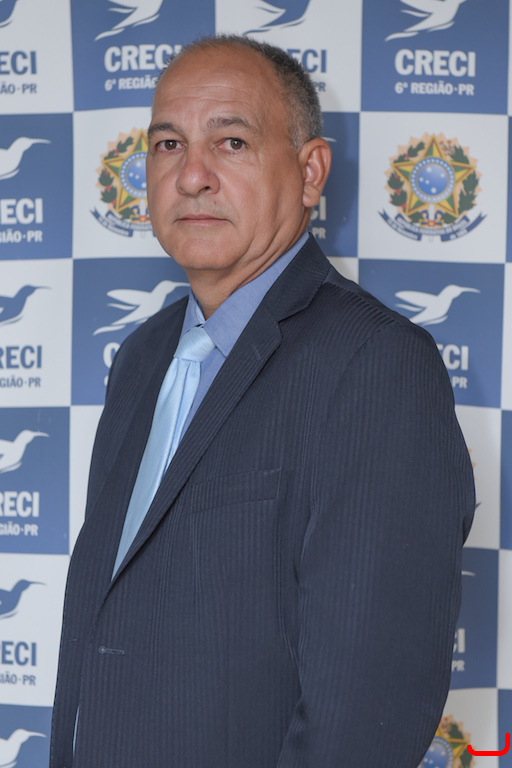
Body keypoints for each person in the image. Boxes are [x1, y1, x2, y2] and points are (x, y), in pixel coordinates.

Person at [50, 35, 475, 768]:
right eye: (168, 144)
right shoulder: (141, 358)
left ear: (310, 173)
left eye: (232, 142)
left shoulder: (376, 365)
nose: (191, 177)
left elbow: (361, 718)